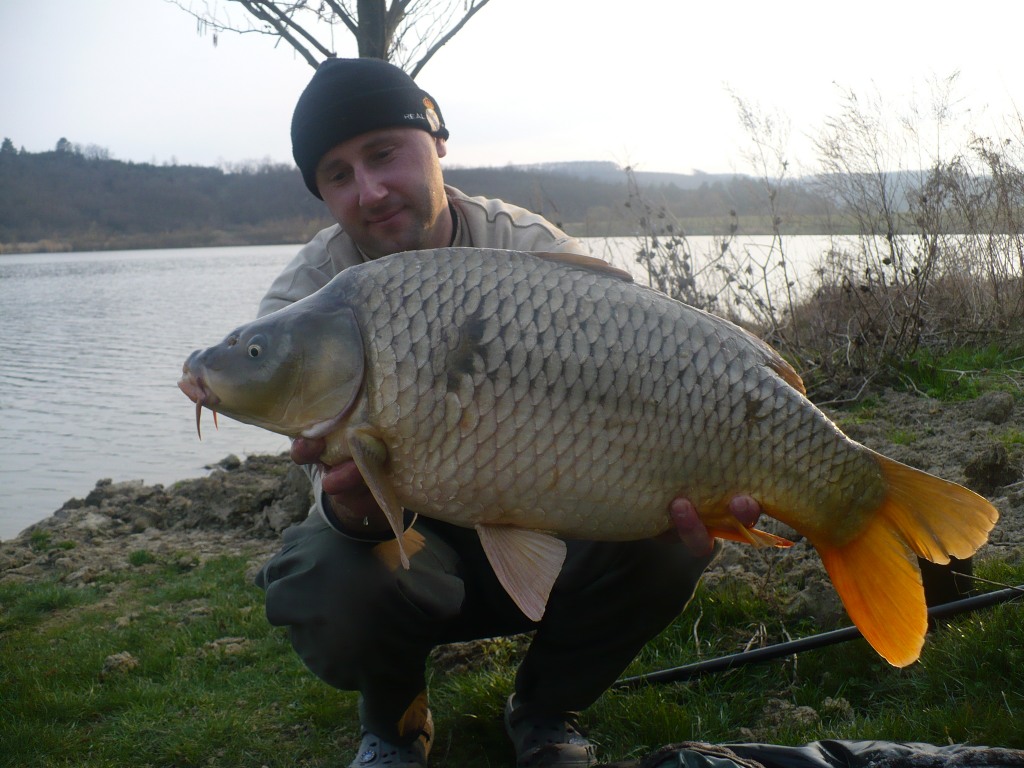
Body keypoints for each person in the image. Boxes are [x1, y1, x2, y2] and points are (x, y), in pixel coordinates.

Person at [250, 57, 762, 768]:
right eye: (337, 175)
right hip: (412, 545)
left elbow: (641, 376)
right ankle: (394, 719)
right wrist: (358, 509)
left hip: (554, 510)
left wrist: (708, 466)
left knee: (676, 533)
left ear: (436, 143)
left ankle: (549, 709)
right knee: (325, 576)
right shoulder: (301, 306)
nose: (369, 190)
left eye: (383, 154)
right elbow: (321, 483)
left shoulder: (527, 251)